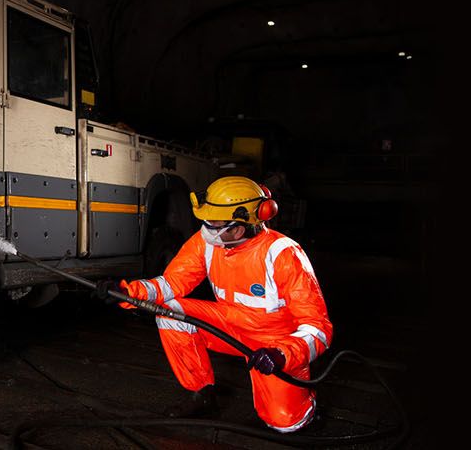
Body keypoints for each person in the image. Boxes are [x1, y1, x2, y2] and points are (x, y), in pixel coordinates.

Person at [93, 176, 332, 433]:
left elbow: (318, 328)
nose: (206, 229)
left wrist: (282, 355)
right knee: (170, 312)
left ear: (239, 228)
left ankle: (307, 409)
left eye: (214, 224)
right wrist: (127, 293)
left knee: (286, 423)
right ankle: (202, 395)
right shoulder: (208, 241)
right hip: (229, 325)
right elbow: (171, 283)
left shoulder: (284, 254)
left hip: (274, 343)